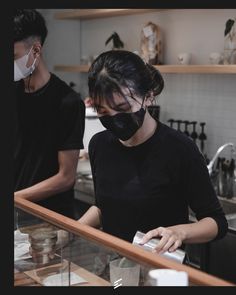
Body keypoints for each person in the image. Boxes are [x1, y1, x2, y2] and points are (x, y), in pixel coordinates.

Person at [78, 50, 228, 254]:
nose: (114, 118)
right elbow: (104, 207)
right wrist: (71, 231)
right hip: (116, 268)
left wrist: (180, 233)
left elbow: (216, 222)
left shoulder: (179, 149)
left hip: (160, 272)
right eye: (103, 111)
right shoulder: (99, 145)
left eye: (122, 107)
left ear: (148, 97)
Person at [14, 9, 86, 222]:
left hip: (48, 220)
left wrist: (15, 198)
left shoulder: (68, 102)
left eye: (13, 56)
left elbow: (66, 177)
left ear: (36, 50)